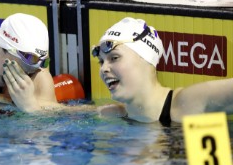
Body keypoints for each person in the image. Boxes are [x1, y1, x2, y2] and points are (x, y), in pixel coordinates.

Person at [92, 17, 233, 126]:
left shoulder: (187, 103)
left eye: (114, 58)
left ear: (146, 59)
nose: (104, 68)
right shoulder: (112, 113)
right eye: (101, 61)